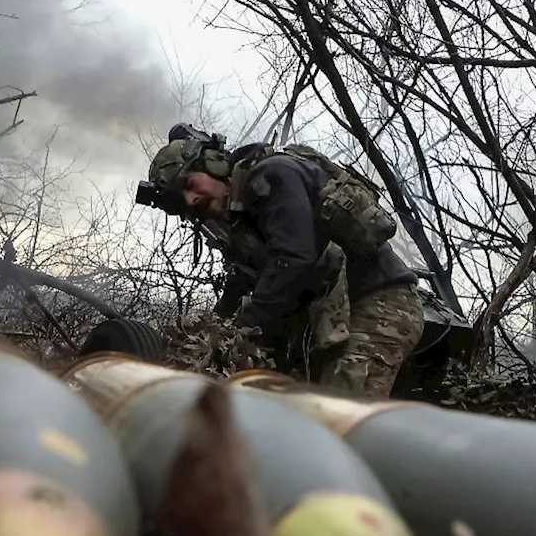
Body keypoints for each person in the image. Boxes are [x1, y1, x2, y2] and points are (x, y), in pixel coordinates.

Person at [145, 126, 424, 398]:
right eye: (182, 201)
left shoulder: (272, 175)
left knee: (342, 419)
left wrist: (241, 330)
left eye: (190, 184)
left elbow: (292, 258)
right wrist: (213, 330)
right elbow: (245, 278)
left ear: (214, 165)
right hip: (336, 319)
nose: (191, 199)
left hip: (379, 306)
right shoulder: (244, 217)